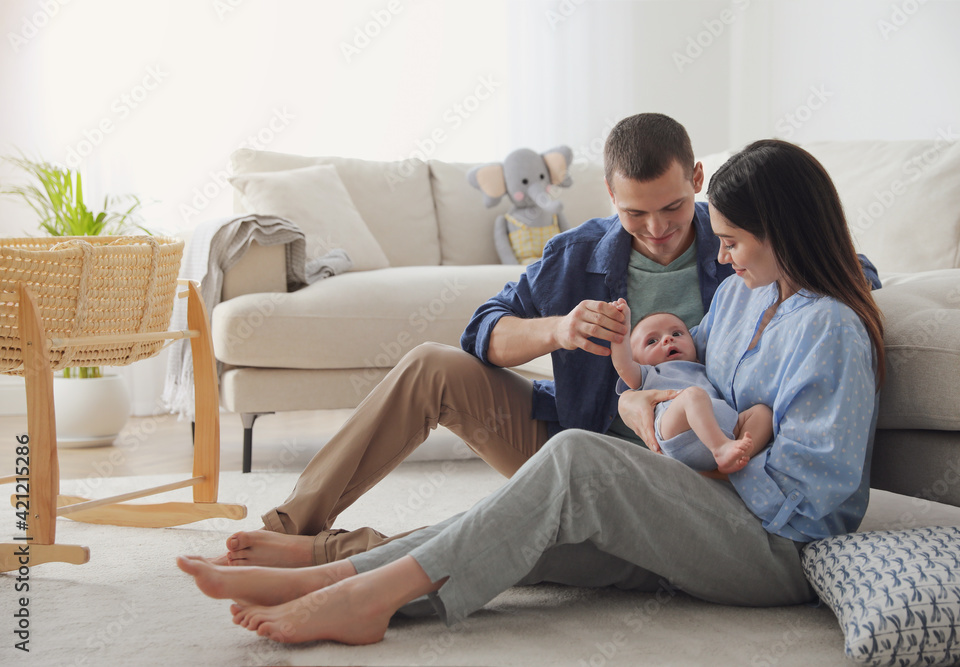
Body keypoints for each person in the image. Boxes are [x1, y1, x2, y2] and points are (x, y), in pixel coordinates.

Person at [180, 138, 886, 645]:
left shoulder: (825, 324)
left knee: (575, 464)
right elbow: (685, 375)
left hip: (771, 543)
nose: (718, 253)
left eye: (729, 240)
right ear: (611, 200)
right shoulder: (730, 294)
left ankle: (359, 592)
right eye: (721, 241)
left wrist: (735, 439)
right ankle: (327, 575)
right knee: (529, 535)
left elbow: (816, 504)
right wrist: (629, 389)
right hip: (671, 478)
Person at [608, 301, 771, 474]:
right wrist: (620, 328)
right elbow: (623, 364)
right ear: (637, 360)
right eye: (652, 341)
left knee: (762, 413)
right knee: (693, 395)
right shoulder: (648, 372)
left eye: (677, 333)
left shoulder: (705, 366)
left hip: (725, 426)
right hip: (676, 426)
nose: (668, 339)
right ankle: (721, 449)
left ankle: (736, 457)